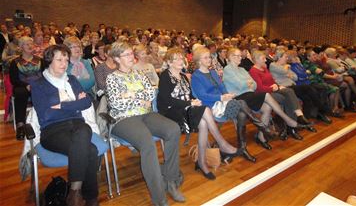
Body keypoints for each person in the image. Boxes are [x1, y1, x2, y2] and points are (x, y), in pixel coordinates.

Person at [106, 42, 185, 206]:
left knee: (173, 129)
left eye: (131, 53)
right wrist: (138, 98)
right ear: (116, 59)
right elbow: (116, 104)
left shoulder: (139, 74)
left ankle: (170, 181)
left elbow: (150, 94)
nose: (131, 57)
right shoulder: (112, 78)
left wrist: (129, 94)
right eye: (127, 55)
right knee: (147, 143)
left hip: (146, 114)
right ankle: (159, 198)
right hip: (123, 119)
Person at [31, 44, 99, 206]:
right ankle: (90, 198)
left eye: (66, 60)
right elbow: (46, 114)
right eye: (59, 59)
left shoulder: (72, 80)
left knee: (84, 129)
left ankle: (74, 193)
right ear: (49, 61)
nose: (64, 63)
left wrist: (61, 105)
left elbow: (86, 102)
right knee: (91, 150)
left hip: (77, 125)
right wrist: (74, 102)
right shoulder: (38, 84)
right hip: (52, 130)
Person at [158, 47, 240, 180]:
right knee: (205, 111)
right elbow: (166, 100)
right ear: (169, 62)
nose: (180, 60)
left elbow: (189, 95)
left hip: (185, 108)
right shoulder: (165, 76)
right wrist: (189, 103)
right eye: (176, 59)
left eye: (181, 58)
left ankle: (202, 162)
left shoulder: (184, 77)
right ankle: (222, 144)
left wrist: (194, 100)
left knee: (203, 122)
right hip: (171, 111)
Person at [223, 48, 307, 149]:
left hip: (249, 94)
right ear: (231, 57)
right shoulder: (227, 69)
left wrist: (247, 84)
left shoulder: (242, 69)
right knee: (266, 95)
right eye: (238, 56)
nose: (241, 58)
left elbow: (253, 85)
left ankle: (261, 137)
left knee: (267, 108)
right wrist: (247, 83)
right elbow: (240, 85)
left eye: (241, 56)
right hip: (239, 98)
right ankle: (288, 120)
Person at [191, 47, 262, 160]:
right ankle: (259, 124)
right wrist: (221, 97)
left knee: (241, 115)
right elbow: (202, 96)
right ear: (199, 61)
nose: (209, 59)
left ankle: (243, 148)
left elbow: (222, 87)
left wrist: (227, 95)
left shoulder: (213, 72)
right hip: (211, 105)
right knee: (242, 103)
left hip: (223, 102)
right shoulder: (196, 76)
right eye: (206, 57)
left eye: (209, 57)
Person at [250, 50, 313, 140]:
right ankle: (291, 128)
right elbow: (259, 88)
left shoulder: (264, 68)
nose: (265, 60)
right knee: (288, 99)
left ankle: (298, 117)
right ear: (256, 59)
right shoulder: (253, 71)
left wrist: (279, 86)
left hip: (274, 89)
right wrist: (273, 88)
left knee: (289, 91)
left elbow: (272, 81)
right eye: (263, 58)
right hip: (265, 94)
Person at [270, 49, 331, 124]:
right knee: (308, 87)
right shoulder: (273, 65)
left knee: (307, 98)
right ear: (279, 57)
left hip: (292, 86)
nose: (287, 59)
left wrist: (288, 74)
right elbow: (284, 72)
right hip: (285, 88)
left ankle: (305, 120)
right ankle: (322, 108)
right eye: (285, 57)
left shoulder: (286, 66)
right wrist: (287, 71)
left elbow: (295, 77)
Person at [10, 36, 42, 140]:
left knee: (46, 90)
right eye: (27, 44)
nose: (30, 46)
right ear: (21, 47)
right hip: (22, 86)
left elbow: (46, 75)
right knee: (20, 92)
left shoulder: (40, 60)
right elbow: (14, 80)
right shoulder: (15, 62)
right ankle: (20, 125)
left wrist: (37, 85)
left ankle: (43, 120)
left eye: (31, 44)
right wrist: (26, 85)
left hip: (38, 85)